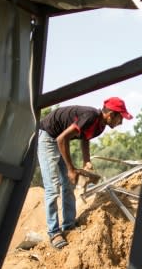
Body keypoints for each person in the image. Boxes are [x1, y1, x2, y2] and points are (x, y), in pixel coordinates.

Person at [37, 97, 133, 249]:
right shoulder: (90, 116)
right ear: (111, 115)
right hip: (48, 136)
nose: (121, 122)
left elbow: (84, 139)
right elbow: (62, 139)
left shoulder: (100, 127)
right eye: (120, 118)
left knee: (68, 184)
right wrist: (70, 169)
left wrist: (86, 161)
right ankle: (54, 232)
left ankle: (68, 225)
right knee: (52, 187)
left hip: (60, 138)